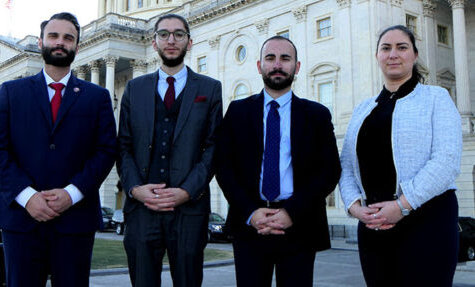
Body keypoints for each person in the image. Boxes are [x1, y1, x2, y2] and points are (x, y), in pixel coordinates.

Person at [0, 12, 117, 287]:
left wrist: (71, 193)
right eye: (53, 36)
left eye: (68, 38)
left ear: (77, 48)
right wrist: (27, 196)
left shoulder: (97, 97)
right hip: (20, 218)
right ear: (42, 41)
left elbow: (105, 151)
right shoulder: (12, 91)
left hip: (75, 219)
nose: (60, 42)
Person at [339, 25, 462, 287]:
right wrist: (354, 208)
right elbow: (347, 166)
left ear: (415, 55)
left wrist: (402, 205)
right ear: (377, 56)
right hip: (373, 225)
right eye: (386, 48)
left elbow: (446, 161)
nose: (393, 54)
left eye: (401, 47)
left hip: (427, 222)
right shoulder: (363, 109)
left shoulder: (436, 98)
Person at [216, 36, 341, 287]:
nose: (277, 65)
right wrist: (251, 212)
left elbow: (329, 171)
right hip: (251, 226)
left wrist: (291, 212)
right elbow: (224, 167)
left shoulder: (317, 115)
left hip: (299, 225)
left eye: (285, 58)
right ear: (259, 64)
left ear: (297, 66)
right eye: (270, 58)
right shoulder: (238, 111)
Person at [118, 14, 223, 287]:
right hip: (142, 210)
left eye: (178, 34)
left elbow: (213, 147)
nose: (171, 40)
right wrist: (135, 189)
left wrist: (187, 191)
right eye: (164, 34)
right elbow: (124, 145)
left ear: (190, 42)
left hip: (189, 212)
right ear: (154, 43)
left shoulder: (210, 89)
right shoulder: (134, 88)